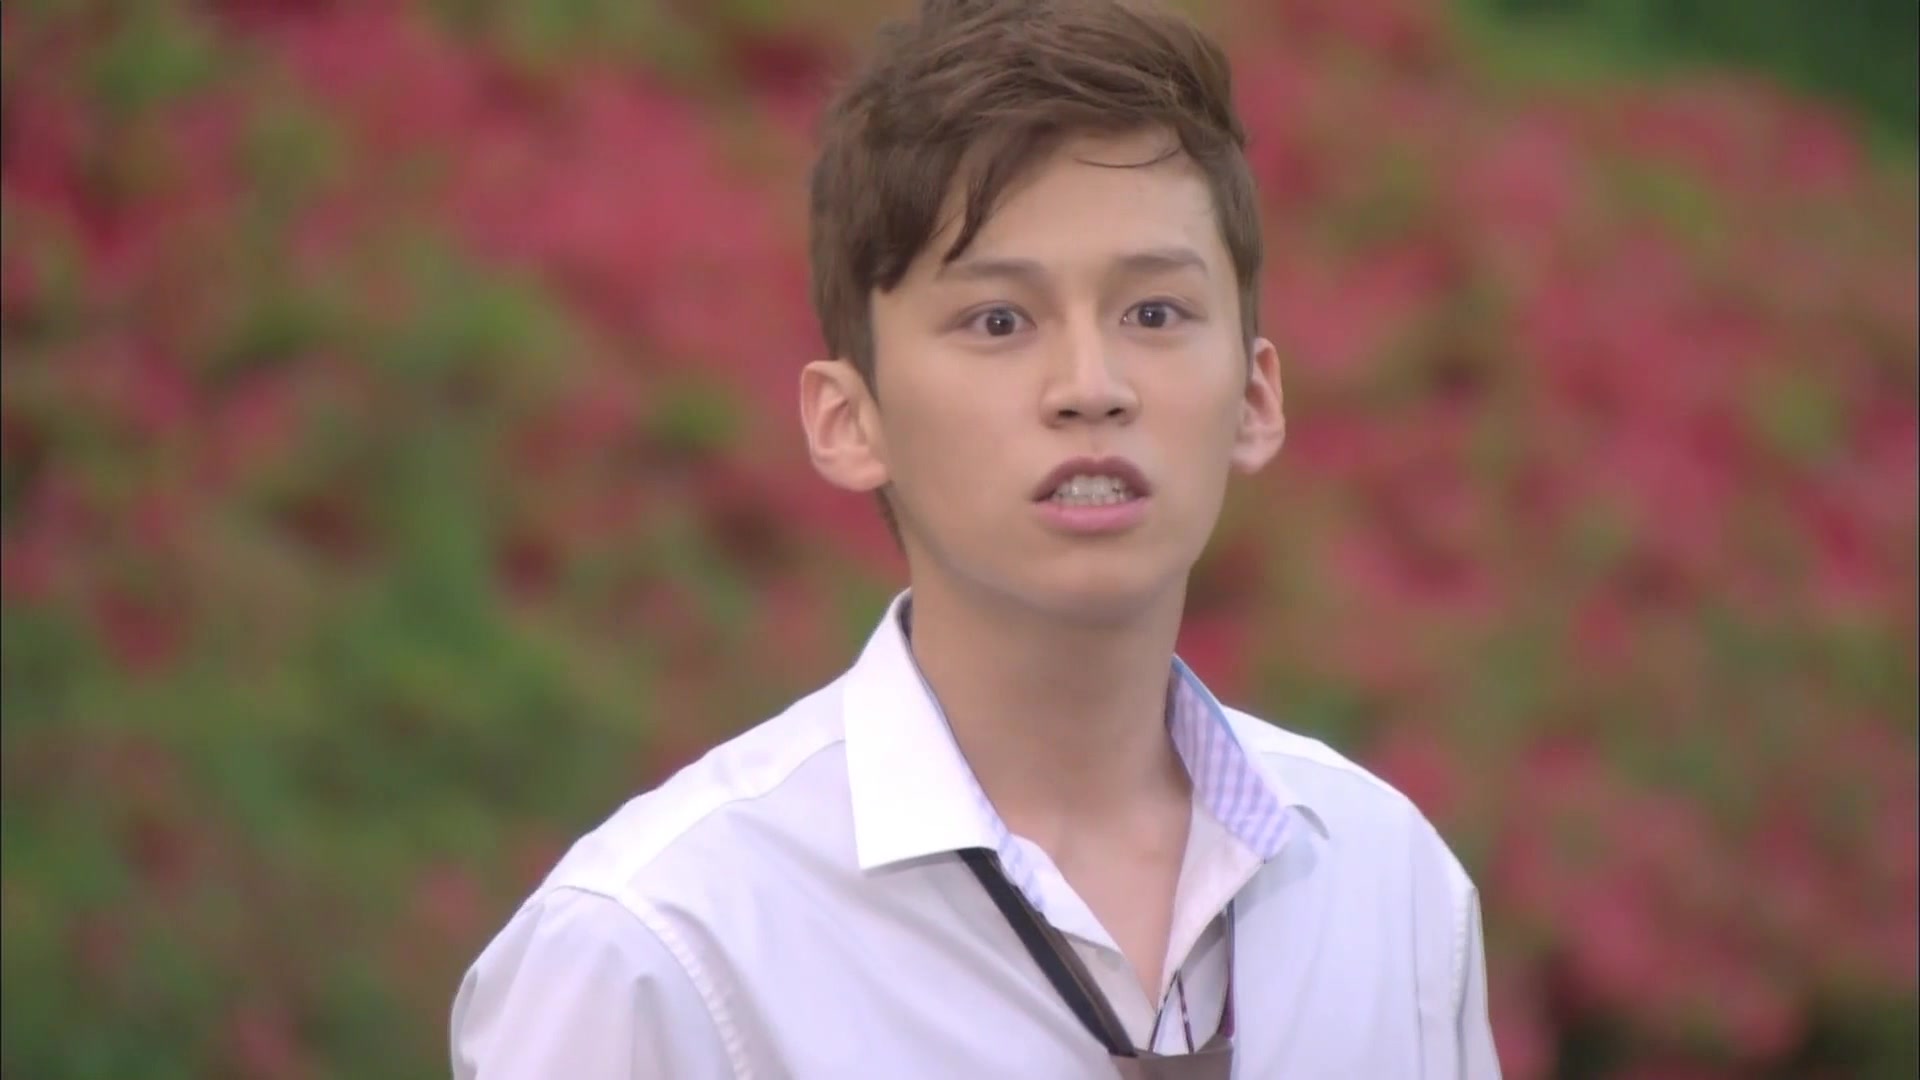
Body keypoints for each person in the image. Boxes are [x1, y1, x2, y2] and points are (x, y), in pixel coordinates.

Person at [450, 0, 1500, 1076]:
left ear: (1257, 397)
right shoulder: (660, 950)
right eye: (999, 321)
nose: (1091, 386)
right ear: (849, 420)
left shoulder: (1388, 889)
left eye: (1153, 314)